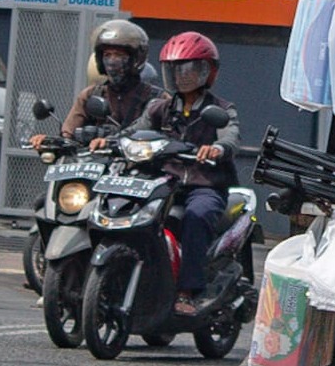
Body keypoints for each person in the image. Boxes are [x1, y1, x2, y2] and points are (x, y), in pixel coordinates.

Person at [94, 31, 238, 316]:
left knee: (196, 217)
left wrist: (218, 149)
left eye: (190, 69)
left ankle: (188, 291)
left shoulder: (221, 109)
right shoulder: (159, 107)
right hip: (165, 182)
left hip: (203, 184)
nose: (181, 77)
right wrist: (110, 141)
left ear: (207, 71)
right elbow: (134, 130)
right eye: (175, 70)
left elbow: (230, 134)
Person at [30, 19, 160, 149]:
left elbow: (169, 139)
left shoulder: (157, 98)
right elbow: (67, 136)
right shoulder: (91, 94)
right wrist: (48, 142)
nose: (112, 61)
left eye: (119, 55)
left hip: (140, 165)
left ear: (136, 58)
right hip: (95, 164)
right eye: (107, 55)